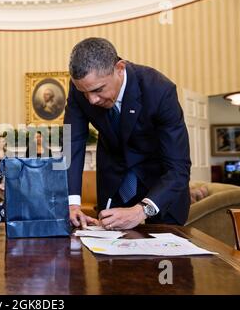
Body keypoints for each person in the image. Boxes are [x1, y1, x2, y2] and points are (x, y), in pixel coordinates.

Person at [64, 37, 191, 230]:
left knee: (166, 257)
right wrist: (72, 203)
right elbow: (71, 143)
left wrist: (142, 210)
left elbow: (178, 168)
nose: (91, 100)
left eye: (98, 90)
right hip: (114, 184)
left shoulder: (159, 90)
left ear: (120, 68)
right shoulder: (79, 89)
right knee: (110, 257)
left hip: (160, 187)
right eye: (85, 93)